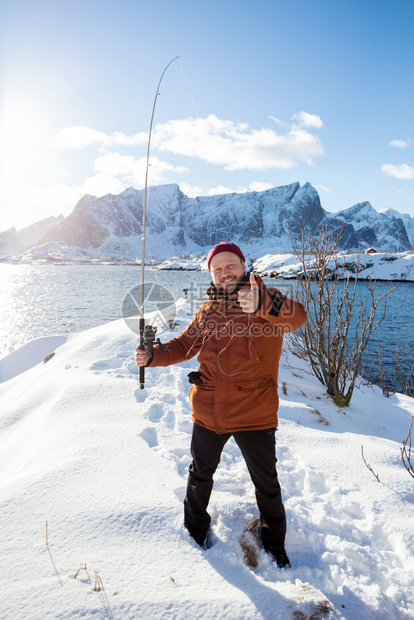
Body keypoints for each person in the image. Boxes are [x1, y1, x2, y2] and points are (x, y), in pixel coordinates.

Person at [135, 241, 306, 567]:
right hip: (210, 410)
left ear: (244, 265)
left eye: (231, 266)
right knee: (200, 474)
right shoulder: (208, 309)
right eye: (217, 269)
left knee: (266, 483)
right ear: (211, 275)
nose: (225, 273)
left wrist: (263, 303)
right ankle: (194, 531)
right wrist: (154, 356)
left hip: (254, 412)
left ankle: (274, 545)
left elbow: (297, 317)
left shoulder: (265, 298)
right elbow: (185, 345)